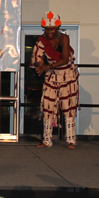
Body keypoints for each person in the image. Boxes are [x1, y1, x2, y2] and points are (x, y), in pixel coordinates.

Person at [31, 11, 79, 149]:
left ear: (57, 27)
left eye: (52, 29)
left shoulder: (64, 38)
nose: (49, 31)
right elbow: (36, 58)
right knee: (47, 106)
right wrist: (39, 65)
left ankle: (71, 140)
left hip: (68, 75)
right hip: (52, 75)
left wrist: (47, 66)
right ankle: (47, 140)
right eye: (47, 29)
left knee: (68, 107)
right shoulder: (41, 40)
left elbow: (64, 59)